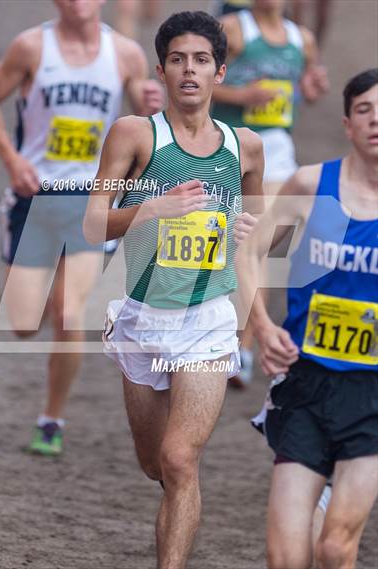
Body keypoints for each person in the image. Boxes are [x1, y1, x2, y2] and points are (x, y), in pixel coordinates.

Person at [84, 11, 264, 568]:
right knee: (155, 464)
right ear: (161, 70)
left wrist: (250, 316)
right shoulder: (135, 134)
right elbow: (93, 223)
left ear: (220, 72)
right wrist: (153, 208)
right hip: (141, 315)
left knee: (181, 460)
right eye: (179, 60)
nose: (190, 70)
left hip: (207, 318)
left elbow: (254, 239)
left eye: (202, 60)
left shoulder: (247, 147)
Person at [0, 0, 163, 456]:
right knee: (23, 323)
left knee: (69, 316)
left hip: (88, 200)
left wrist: (153, 105)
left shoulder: (125, 54)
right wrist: (12, 160)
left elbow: (147, 124)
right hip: (34, 195)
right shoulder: (31, 47)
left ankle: (51, 419)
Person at [237, 68, 378, 569]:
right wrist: (261, 325)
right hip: (306, 385)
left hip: (372, 395)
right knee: (286, 557)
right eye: (364, 110)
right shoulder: (310, 183)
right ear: (347, 123)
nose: (375, 120)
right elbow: (248, 255)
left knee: (335, 547)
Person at [211, 0, 329, 386]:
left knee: (254, 245)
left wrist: (310, 89)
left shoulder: (303, 40)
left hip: (277, 154)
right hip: (230, 150)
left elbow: (303, 88)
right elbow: (195, 79)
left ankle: (243, 347)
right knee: (230, 249)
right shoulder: (234, 29)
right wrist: (240, 97)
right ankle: (224, 335)